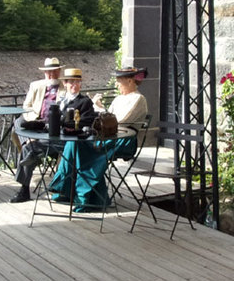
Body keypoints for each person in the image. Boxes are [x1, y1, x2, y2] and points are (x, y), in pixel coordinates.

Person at [49, 66, 149, 209]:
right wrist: (100, 109)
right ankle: (64, 189)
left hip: (123, 139)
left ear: (129, 81)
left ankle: (87, 196)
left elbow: (120, 121)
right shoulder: (119, 98)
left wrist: (100, 109)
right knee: (73, 143)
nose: (116, 84)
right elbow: (109, 118)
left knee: (83, 149)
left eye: (119, 81)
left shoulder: (138, 99)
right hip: (108, 135)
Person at [10, 67, 98, 203]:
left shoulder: (84, 101)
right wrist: (35, 125)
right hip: (55, 138)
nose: (74, 85)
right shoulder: (61, 101)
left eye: (77, 82)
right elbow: (51, 120)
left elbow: (88, 121)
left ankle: (33, 157)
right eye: (71, 82)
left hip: (71, 141)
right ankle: (24, 190)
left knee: (33, 150)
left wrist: (66, 124)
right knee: (28, 147)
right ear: (65, 83)